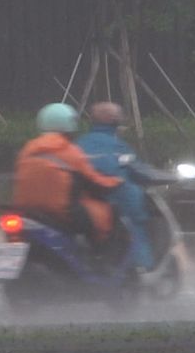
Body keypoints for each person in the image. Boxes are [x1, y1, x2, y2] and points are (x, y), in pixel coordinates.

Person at [11, 103, 123, 241]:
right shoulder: (69, 151)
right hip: (61, 214)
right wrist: (116, 181)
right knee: (107, 213)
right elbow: (94, 181)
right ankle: (101, 257)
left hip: (28, 212)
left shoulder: (27, 149)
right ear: (69, 126)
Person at [76, 102, 154, 271]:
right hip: (120, 203)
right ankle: (142, 267)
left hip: (85, 205)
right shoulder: (119, 147)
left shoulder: (78, 145)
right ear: (114, 121)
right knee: (136, 228)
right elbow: (138, 171)